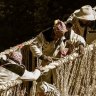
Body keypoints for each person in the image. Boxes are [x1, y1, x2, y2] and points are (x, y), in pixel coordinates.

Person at [30, 19, 86, 96]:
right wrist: (42, 56)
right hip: (47, 59)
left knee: (60, 81)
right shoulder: (45, 34)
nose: (62, 36)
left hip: (60, 60)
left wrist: (81, 45)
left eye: (63, 34)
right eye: (60, 34)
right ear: (55, 32)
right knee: (44, 80)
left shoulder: (66, 32)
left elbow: (77, 38)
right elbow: (33, 45)